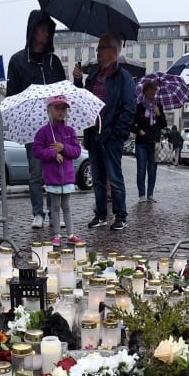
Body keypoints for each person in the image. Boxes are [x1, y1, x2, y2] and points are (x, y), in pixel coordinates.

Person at [6, 11, 66, 230]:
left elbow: (63, 92)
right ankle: (37, 213)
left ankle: (53, 212)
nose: (44, 33)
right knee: (36, 172)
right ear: (32, 31)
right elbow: (12, 95)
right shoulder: (18, 61)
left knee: (54, 171)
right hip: (32, 127)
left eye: (47, 30)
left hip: (53, 127)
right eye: (40, 29)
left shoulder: (54, 62)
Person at [73, 34, 135, 232]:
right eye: (98, 47)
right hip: (94, 134)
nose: (98, 51)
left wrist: (117, 134)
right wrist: (77, 81)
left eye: (102, 47)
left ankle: (120, 215)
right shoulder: (93, 76)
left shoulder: (123, 77)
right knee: (98, 178)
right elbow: (83, 102)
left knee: (114, 177)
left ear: (114, 52)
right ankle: (100, 214)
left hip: (111, 136)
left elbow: (129, 109)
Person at [31, 95, 83, 246]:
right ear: (49, 110)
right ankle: (57, 234)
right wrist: (53, 154)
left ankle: (71, 233)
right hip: (52, 177)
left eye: (63, 108)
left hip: (66, 176)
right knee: (54, 206)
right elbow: (37, 151)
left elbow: (76, 151)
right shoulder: (44, 132)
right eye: (57, 108)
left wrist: (63, 148)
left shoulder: (69, 131)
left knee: (66, 206)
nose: (60, 111)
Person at [132, 81, 166, 202]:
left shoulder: (158, 106)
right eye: (150, 90)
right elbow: (131, 124)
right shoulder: (139, 107)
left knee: (152, 169)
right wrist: (139, 131)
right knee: (141, 168)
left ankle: (150, 194)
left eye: (154, 90)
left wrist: (158, 113)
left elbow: (164, 124)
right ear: (145, 91)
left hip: (154, 142)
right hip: (141, 142)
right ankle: (142, 194)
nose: (153, 92)